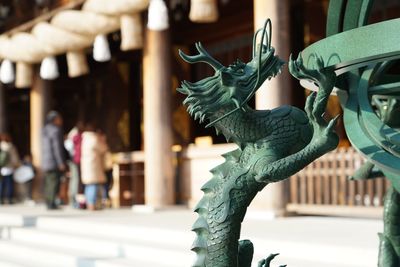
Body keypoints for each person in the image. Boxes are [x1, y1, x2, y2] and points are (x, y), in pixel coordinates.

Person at [41, 111, 66, 210]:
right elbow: (57, 148)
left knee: (48, 183)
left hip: (46, 161)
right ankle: (51, 203)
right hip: (53, 161)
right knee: (54, 182)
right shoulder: (55, 130)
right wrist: (60, 162)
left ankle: (48, 201)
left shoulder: (44, 130)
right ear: (54, 120)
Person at [81, 123, 108, 211]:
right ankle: (92, 204)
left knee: (89, 185)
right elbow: (103, 148)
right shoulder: (93, 138)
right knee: (93, 185)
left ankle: (90, 204)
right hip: (93, 165)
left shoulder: (84, 139)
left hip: (87, 165)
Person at [0, 133, 20, 204]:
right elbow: (14, 158)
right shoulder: (11, 147)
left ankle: (1, 199)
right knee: (9, 184)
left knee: (2, 184)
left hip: (2, 168)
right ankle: (9, 199)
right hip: (9, 168)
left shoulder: (1, 146)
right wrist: (16, 165)